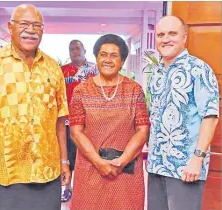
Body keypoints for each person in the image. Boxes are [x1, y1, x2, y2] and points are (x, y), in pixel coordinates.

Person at [0, 4, 71, 210]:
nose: (31, 30)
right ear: (10, 27)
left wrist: (64, 161)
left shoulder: (52, 67)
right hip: (4, 175)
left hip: (47, 174)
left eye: (36, 25)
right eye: (24, 24)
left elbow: (59, 120)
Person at [68, 34, 150, 210]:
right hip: (90, 170)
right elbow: (76, 132)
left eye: (114, 56)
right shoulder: (81, 91)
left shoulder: (134, 90)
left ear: (122, 61)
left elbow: (142, 130)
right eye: (103, 54)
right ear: (96, 58)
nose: (107, 60)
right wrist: (99, 162)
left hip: (126, 173)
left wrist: (120, 162)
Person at [147, 15, 219, 210]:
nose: (165, 39)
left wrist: (197, 159)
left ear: (184, 37)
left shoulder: (199, 69)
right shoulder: (157, 73)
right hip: (156, 166)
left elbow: (210, 117)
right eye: (161, 34)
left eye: (172, 33)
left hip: (185, 169)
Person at [61, 39, 98, 202]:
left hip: (90, 122)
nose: (74, 51)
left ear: (85, 50)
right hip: (68, 122)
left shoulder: (95, 70)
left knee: (87, 154)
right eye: (71, 49)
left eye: (77, 48)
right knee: (69, 155)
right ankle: (67, 188)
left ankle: (86, 189)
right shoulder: (62, 71)